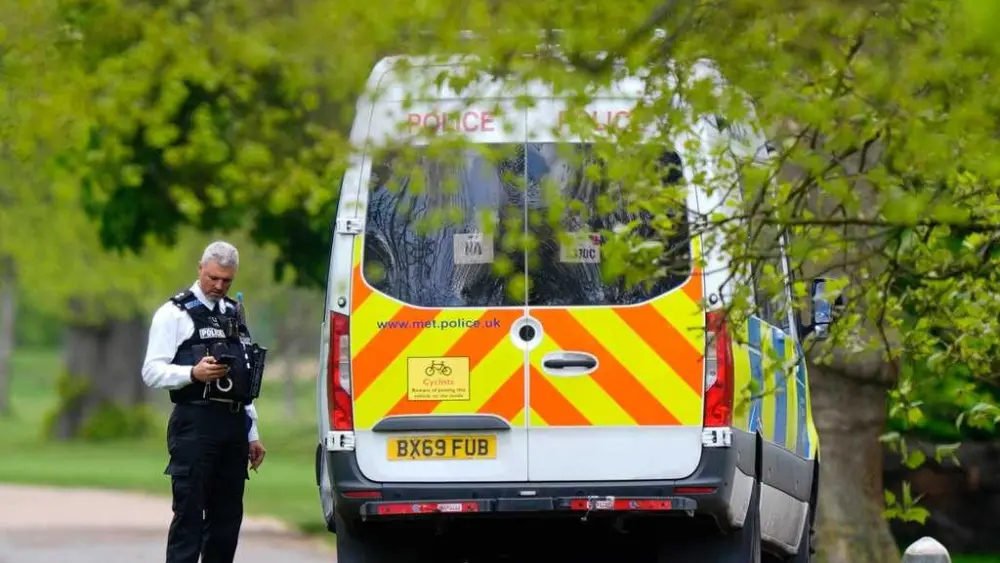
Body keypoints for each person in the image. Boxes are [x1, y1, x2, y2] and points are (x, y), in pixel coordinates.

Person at [141, 240, 268, 563]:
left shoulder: (233, 313)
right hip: (195, 424)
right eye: (213, 278)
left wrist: (252, 433)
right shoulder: (174, 314)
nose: (219, 286)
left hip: (233, 424)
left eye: (227, 280)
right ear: (200, 269)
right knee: (189, 516)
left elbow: (243, 376)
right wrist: (193, 374)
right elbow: (151, 372)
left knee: (227, 521)